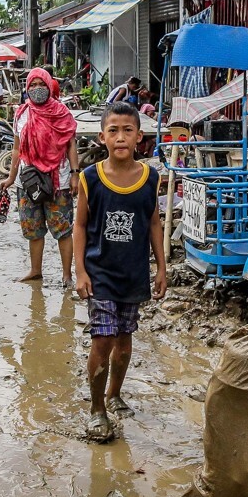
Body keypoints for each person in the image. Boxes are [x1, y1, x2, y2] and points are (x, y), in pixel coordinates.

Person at [73, 102, 167, 442]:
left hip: (134, 273)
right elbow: (80, 226)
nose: (121, 137)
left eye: (128, 130)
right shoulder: (90, 178)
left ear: (139, 137)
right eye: (113, 130)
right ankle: (97, 409)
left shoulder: (150, 178)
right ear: (102, 137)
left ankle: (114, 394)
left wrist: (161, 267)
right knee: (103, 339)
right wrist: (80, 271)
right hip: (100, 274)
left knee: (124, 343)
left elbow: (154, 222)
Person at [0, 68, 79, 286]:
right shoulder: (21, 113)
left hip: (59, 180)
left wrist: (74, 174)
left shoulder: (62, 112)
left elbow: (71, 145)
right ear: (26, 89)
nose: (37, 89)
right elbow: (16, 149)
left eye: (41, 84)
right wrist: (10, 177)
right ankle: (36, 270)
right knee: (33, 228)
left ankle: (67, 275)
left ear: (49, 85)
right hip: (28, 181)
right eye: (32, 85)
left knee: (62, 229)